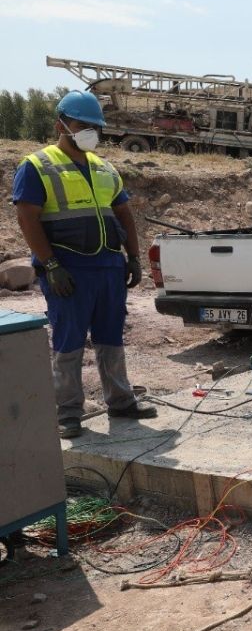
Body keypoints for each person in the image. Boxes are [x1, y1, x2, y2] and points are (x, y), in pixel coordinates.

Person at [11, 90, 156, 439]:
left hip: (108, 268)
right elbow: (27, 218)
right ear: (61, 124)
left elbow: (123, 214)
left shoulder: (104, 167)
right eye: (82, 125)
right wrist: (50, 264)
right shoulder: (36, 166)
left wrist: (133, 257)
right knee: (69, 341)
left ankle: (121, 401)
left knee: (111, 338)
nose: (90, 131)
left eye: (95, 126)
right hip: (68, 271)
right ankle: (68, 413)